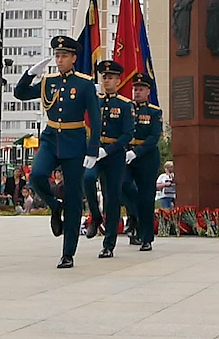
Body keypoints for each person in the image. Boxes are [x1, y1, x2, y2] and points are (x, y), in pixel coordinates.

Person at [16, 35, 102, 269]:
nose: (59, 60)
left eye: (64, 56)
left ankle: (68, 253)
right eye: (57, 55)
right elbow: (20, 94)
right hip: (51, 138)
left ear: (74, 58)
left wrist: (93, 149)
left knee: (74, 198)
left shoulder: (84, 83)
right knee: (36, 176)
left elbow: (95, 118)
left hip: (74, 142)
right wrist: (32, 73)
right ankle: (55, 206)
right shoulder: (48, 81)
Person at [83, 59, 134, 258]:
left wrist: (109, 150)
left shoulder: (125, 105)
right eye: (104, 77)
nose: (107, 81)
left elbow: (127, 134)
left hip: (114, 156)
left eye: (111, 78)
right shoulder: (95, 101)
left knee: (112, 198)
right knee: (87, 179)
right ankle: (95, 217)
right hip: (96, 151)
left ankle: (109, 244)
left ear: (118, 80)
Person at [124, 72, 163, 252]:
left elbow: (153, 137)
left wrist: (137, 152)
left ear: (148, 91)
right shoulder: (126, 109)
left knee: (147, 198)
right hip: (126, 156)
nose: (137, 92)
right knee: (124, 186)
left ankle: (146, 237)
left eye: (140, 89)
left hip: (146, 157)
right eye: (135, 89)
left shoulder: (154, 112)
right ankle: (133, 216)